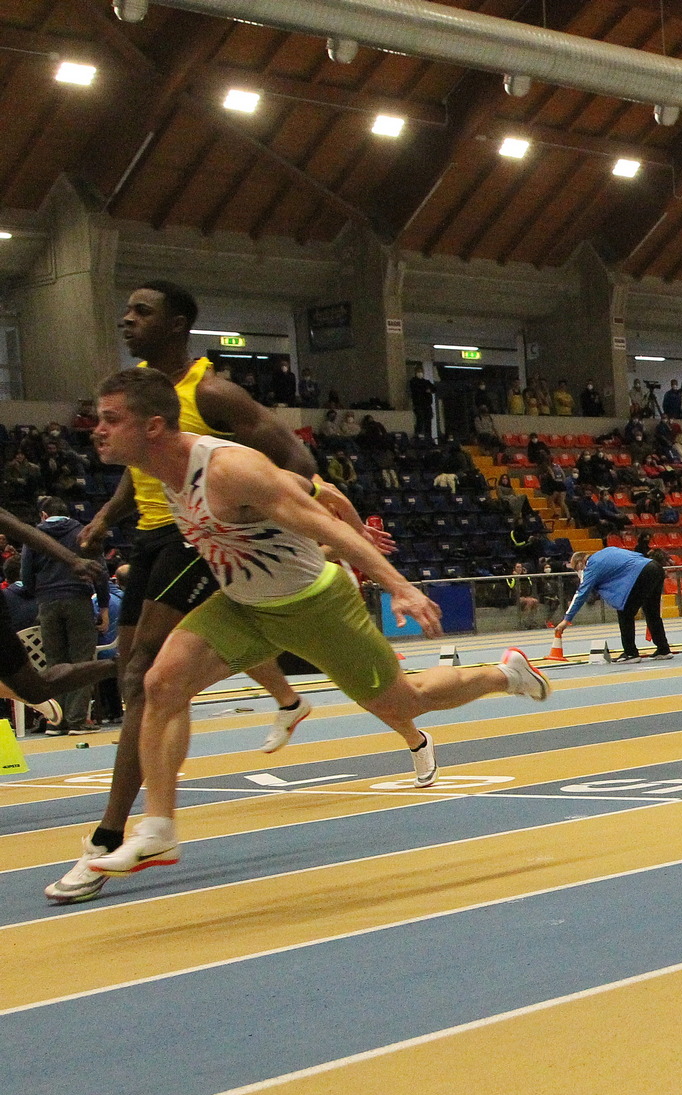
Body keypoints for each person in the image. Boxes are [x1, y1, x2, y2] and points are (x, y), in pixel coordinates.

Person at [82, 368, 552, 879]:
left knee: (406, 702)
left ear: (153, 426)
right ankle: (158, 830)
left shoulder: (228, 469)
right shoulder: (159, 473)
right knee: (160, 684)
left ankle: (505, 675)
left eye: (111, 419)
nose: (97, 430)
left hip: (313, 605)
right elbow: (314, 488)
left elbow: (322, 514)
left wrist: (398, 585)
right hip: (243, 605)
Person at [49, 282, 390, 906]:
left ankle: (110, 837)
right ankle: (282, 702)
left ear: (179, 323)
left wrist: (293, 517)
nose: (126, 320)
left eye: (142, 312)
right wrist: (105, 517)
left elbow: (293, 458)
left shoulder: (211, 392)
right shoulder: (139, 397)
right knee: (138, 676)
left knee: (142, 678)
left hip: (199, 538)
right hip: (154, 537)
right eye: (126, 311)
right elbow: (141, 467)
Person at [0, 504, 119, 731]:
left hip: (47, 602)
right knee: (75, 659)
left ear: (44, 514)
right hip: (77, 600)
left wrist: (70, 562)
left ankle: (117, 667)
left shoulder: (41, 532)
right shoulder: (78, 531)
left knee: (40, 682)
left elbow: (25, 542)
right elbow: (100, 571)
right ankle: (75, 718)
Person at [555, 544, 671, 662]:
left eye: (576, 569)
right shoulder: (606, 551)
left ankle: (631, 653)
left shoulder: (592, 567)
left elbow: (581, 594)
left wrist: (566, 619)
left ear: (580, 563)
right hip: (654, 567)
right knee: (652, 612)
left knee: (625, 612)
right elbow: (636, 556)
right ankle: (663, 649)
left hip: (641, 573)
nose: (578, 572)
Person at [407, 362, 436, 439]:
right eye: (418, 371)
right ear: (415, 372)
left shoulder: (426, 381)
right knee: (420, 421)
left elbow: (434, 388)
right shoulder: (413, 381)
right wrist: (425, 390)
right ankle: (419, 437)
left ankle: (428, 437)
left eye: (421, 371)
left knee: (428, 421)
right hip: (418, 405)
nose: (420, 373)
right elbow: (417, 390)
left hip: (427, 405)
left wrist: (429, 390)